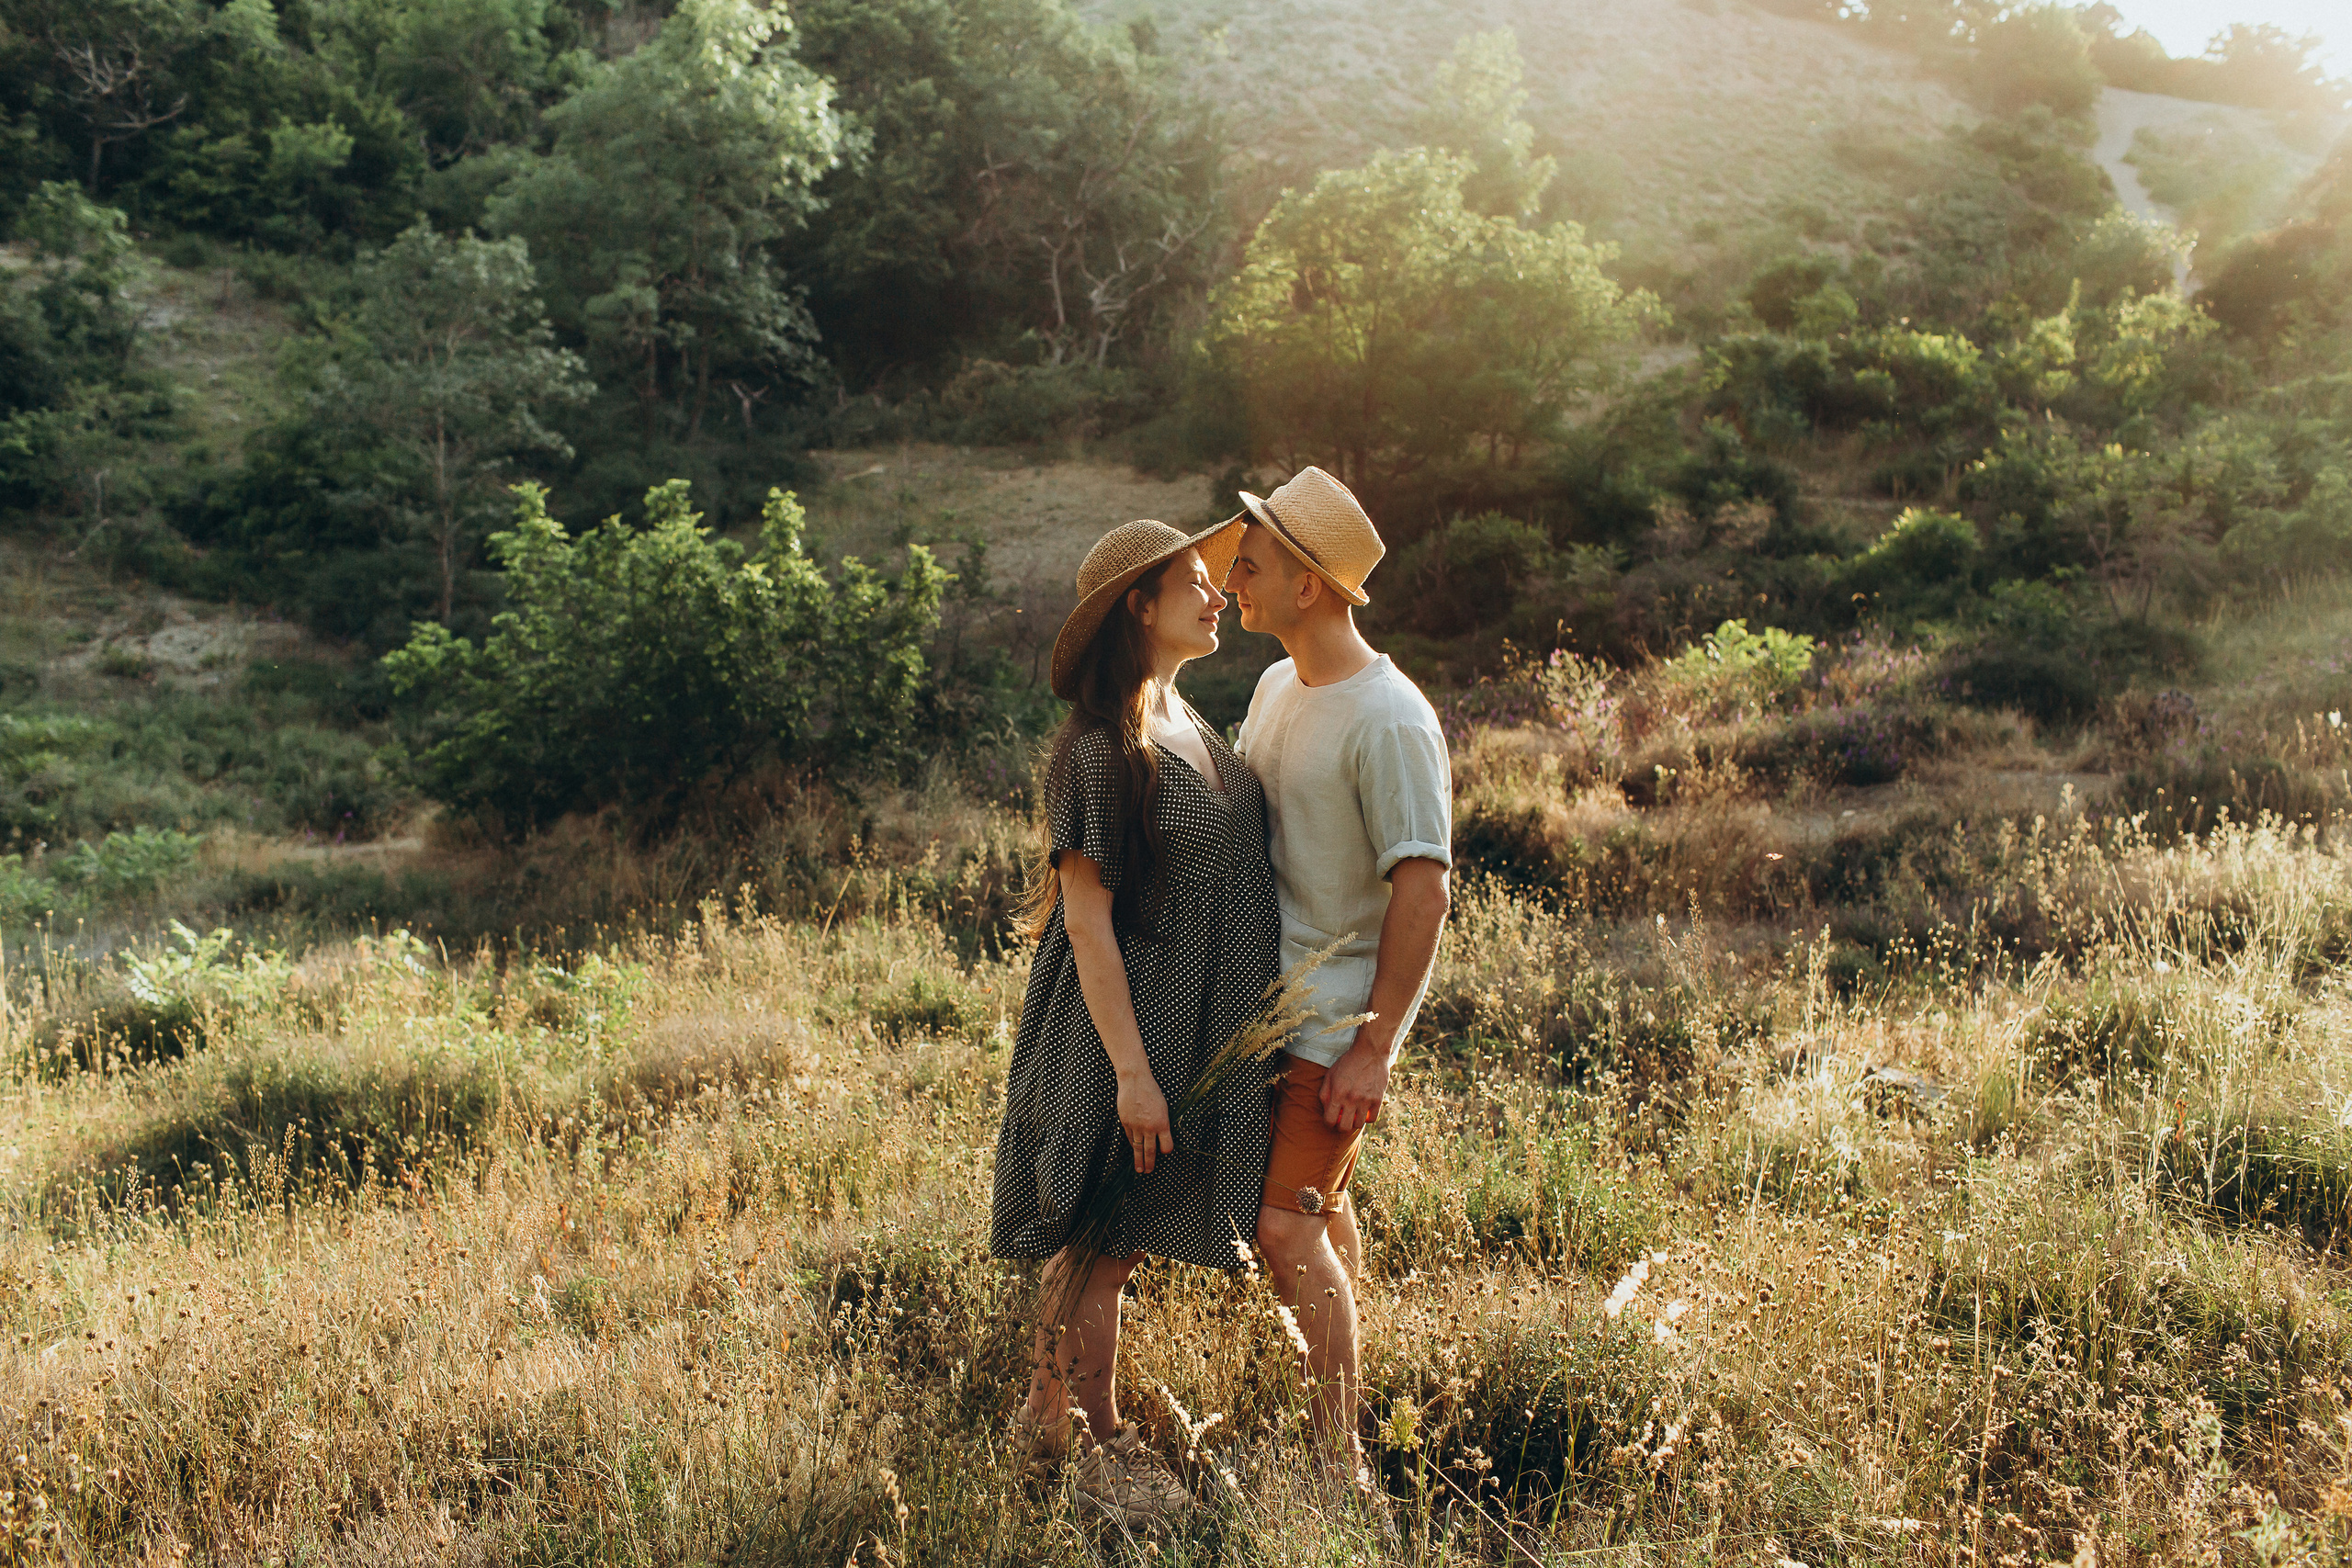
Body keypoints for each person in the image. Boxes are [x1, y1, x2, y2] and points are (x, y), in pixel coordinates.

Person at [990, 516, 1283, 1529]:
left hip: (1191, 1016)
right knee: (1103, 1236)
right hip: (1123, 1026)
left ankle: (1044, 1421)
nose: (1217, 595)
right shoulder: (1095, 749)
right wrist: (1132, 1072)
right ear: (1137, 606)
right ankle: (1098, 1440)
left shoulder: (1189, 721)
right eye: (1194, 583)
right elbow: (1085, 921)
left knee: (1115, 1235)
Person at [1224, 467, 1453, 1490]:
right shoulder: (1277, 685)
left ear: (1307, 587)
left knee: (1283, 1229)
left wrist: (1375, 1046)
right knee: (1317, 1215)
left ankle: (1335, 1461)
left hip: (1330, 1025)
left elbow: (1424, 889)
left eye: (1252, 559)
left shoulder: (1388, 716)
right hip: (1264, 1009)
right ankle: (1358, 1405)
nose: (1231, 573)